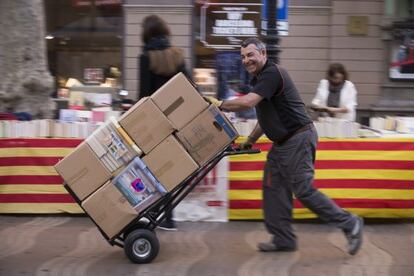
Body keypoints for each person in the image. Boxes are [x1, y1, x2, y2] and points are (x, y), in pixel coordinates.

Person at [206, 37, 363, 255]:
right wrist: (250, 140)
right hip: (282, 144)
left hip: (298, 138)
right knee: (273, 188)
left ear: (263, 54)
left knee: (303, 190)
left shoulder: (272, 73)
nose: (246, 60)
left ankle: (350, 223)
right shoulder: (260, 79)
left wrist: (218, 104)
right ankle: (283, 238)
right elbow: (266, 117)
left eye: (250, 55)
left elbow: (248, 103)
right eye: (242, 57)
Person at [139, 14, 189, 230]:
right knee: (169, 170)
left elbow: (143, 95)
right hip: (176, 122)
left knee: (152, 170)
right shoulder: (177, 55)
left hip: (153, 123)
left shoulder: (146, 57)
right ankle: (169, 218)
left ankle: (154, 212)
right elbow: (188, 87)